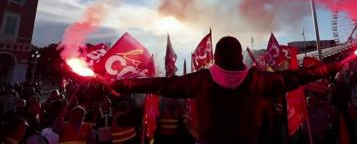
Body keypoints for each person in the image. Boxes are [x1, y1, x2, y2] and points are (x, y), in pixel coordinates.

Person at [112, 36, 342, 144]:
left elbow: (160, 84)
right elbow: (297, 76)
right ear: (240, 56)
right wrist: (331, 67)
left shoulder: (200, 80)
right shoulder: (257, 81)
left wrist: (127, 84)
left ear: (218, 57)